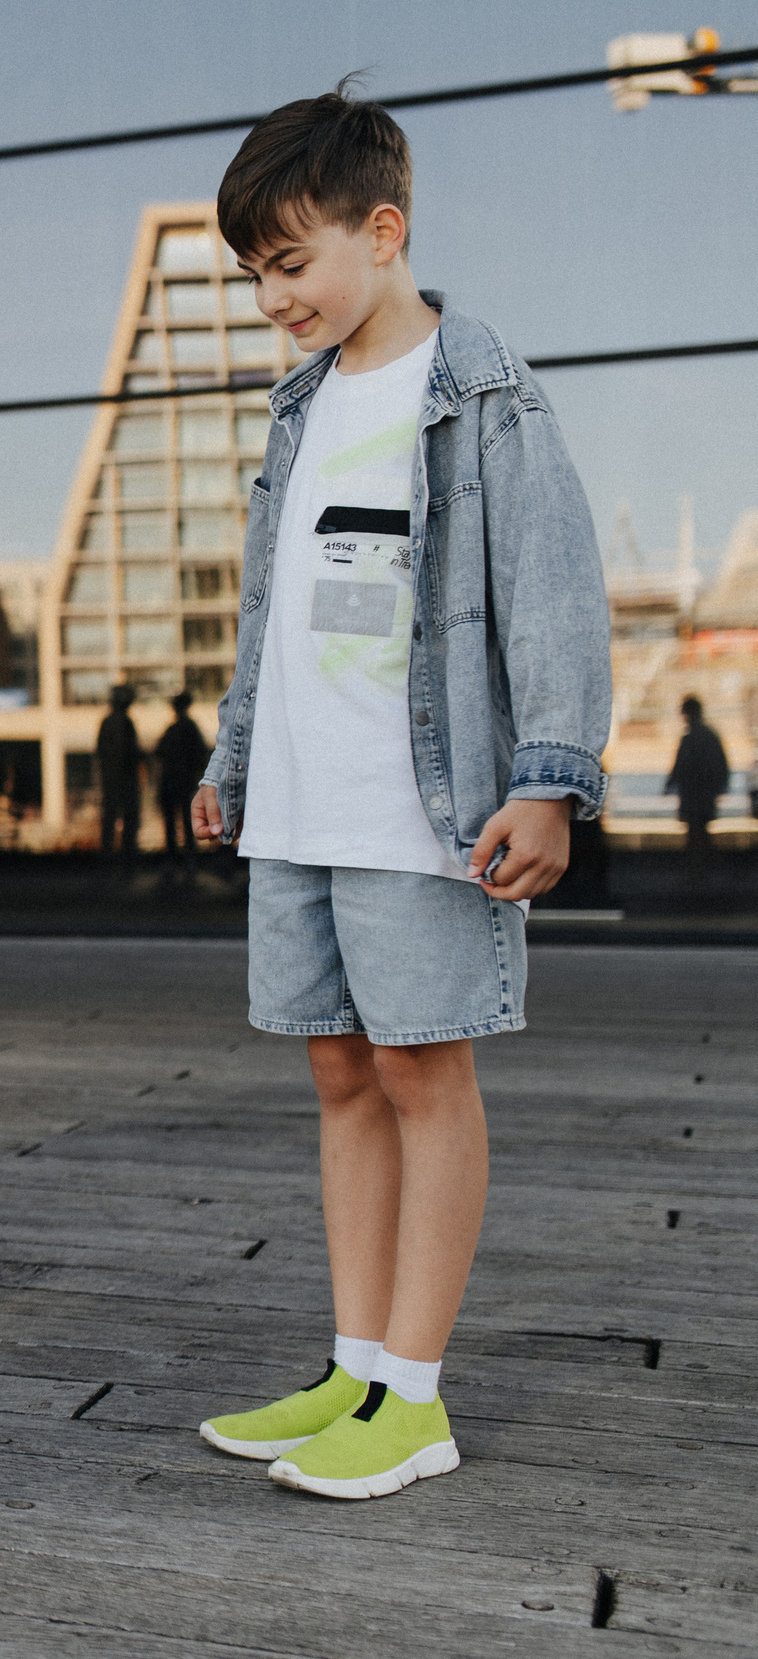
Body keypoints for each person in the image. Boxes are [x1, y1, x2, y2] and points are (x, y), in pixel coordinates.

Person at [190, 87, 612, 1498]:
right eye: (254, 274)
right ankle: (357, 1365)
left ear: (383, 231)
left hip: (422, 810)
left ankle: (415, 1399)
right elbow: (269, 613)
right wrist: (232, 759)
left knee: (425, 1071)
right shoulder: (299, 409)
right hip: (300, 802)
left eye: (290, 263)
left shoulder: (483, 394)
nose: (273, 298)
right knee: (338, 1072)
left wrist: (549, 781)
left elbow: (554, 597)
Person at [664, 695, 729, 877]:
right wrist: (720, 786)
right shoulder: (709, 735)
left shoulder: (690, 738)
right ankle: (704, 867)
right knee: (701, 830)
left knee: (695, 831)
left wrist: (670, 784)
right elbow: (721, 765)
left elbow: (680, 765)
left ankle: (697, 868)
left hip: (693, 793)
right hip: (705, 792)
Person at [155, 690, 210, 868]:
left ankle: (174, 860)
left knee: (174, 824)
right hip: (184, 783)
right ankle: (189, 860)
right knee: (186, 822)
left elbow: (159, 752)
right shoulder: (190, 728)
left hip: (173, 782)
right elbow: (201, 756)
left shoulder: (173, 729)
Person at [94, 684, 145, 864]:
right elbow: (129, 752)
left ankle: (112, 860)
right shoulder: (122, 723)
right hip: (123, 780)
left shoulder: (109, 722)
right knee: (126, 820)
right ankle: (124, 860)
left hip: (113, 780)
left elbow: (100, 752)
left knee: (112, 820)